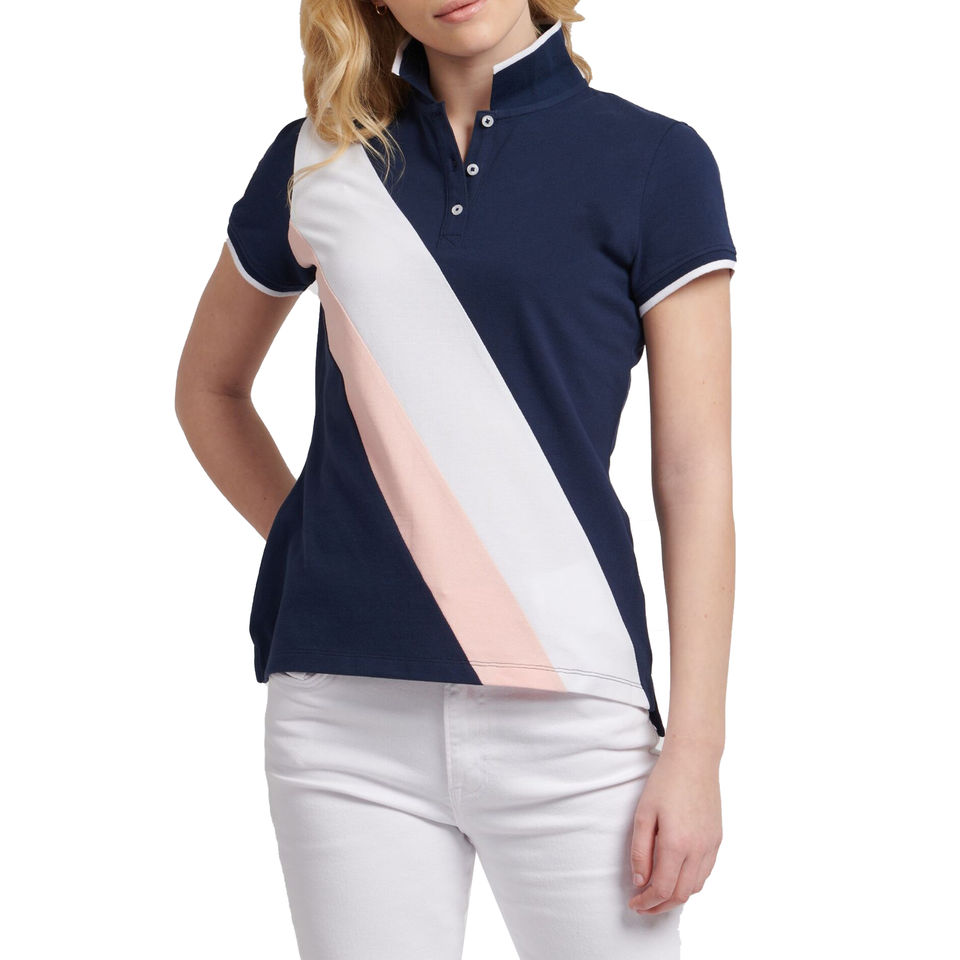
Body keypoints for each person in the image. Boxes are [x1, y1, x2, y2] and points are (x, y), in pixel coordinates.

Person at [175, 1, 736, 957]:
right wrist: (315, 539)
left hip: (575, 712)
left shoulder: (654, 161)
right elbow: (209, 390)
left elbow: (693, 474)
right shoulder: (318, 157)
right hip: (344, 723)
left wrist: (697, 750)